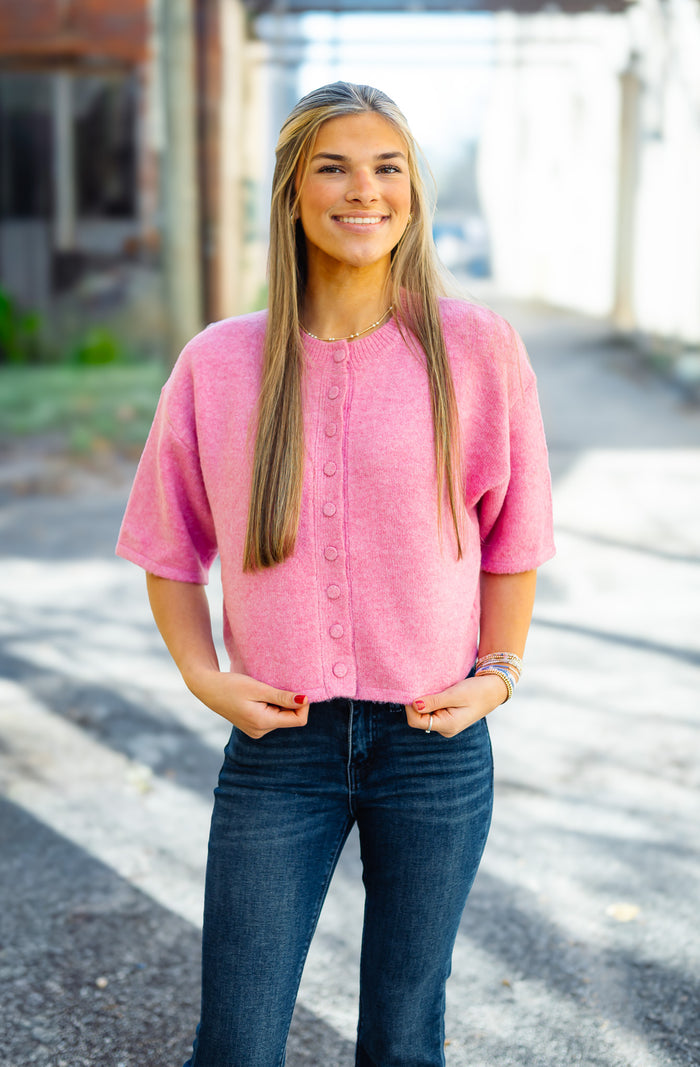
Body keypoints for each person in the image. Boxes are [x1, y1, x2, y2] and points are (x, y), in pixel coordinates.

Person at [116, 81, 555, 1067]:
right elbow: (164, 545)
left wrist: (499, 671)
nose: (365, 190)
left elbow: (514, 538)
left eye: (387, 166)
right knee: (235, 1040)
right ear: (291, 194)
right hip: (280, 749)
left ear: (412, 192)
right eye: (334, 166)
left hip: (434, 745)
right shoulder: (218, 363)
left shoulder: (478, 349)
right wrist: (202, 674)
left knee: (403, 1037)